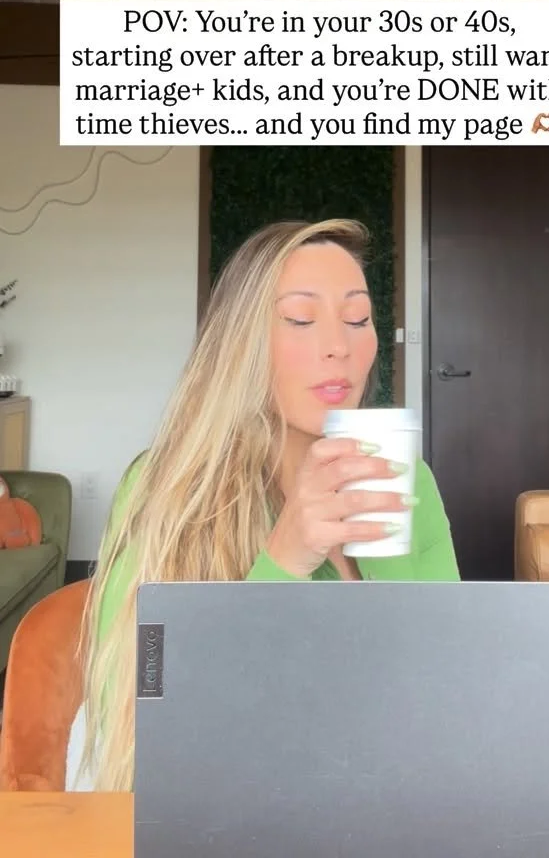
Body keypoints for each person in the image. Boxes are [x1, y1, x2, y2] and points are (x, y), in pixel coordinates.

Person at [69, 218, 459, 793]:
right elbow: (144, 725)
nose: (339, 345)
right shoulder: (167, 488)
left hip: (389, 794)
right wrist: (285, 559)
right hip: (232, 810)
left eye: (358, 319)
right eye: (300, 319)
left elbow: (450, 671)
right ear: (242, 345)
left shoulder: (408, 481)